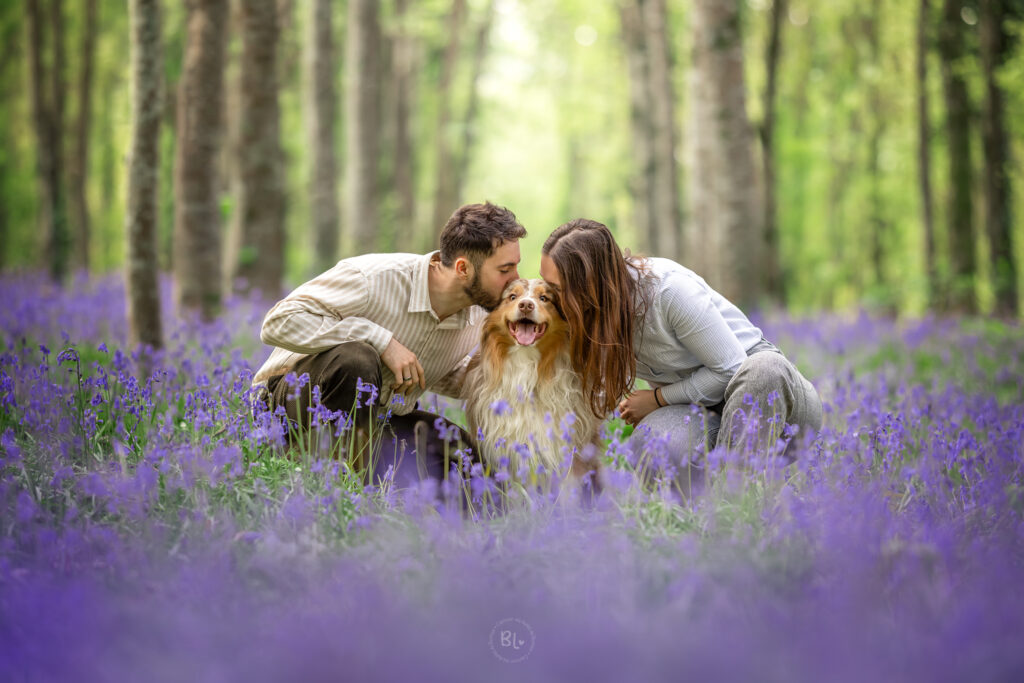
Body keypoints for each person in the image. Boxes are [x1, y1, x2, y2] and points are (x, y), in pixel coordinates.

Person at [253, 202, 526, 485]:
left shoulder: (481, 315)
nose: (515, 279)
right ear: (463, 268)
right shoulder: (373, 279)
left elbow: (430, 371)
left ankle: (365, 481)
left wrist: (505, 370)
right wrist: (380, 340)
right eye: (505, 269)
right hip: (289, 408)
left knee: (470, 466)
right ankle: (334, 485)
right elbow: (277, 322)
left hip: (376, 420)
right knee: (357, 358)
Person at [539, 218, 822, 469]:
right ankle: (723, 491)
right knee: (652, 446)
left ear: (590, 285)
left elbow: (731, 369)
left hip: (772, 403)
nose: (547, 296)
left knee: (765, 367)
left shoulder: (668, 291)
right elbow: (587, 393)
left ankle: (736, 500)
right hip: (698, 412)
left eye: (556, 289)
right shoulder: (592, 315)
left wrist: (657, 399)